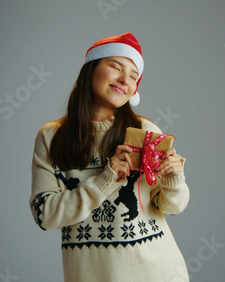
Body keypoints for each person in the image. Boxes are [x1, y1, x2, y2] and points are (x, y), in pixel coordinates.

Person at [29, 32, 190, 282]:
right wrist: (105, 180)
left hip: (157, 273)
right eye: (115, 66)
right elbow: (45, 216)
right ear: (91, 70)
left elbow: (173, 206)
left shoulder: (145, 132)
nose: (125, 79)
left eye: (134, 76)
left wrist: (174, 179)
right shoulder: (51, 137)